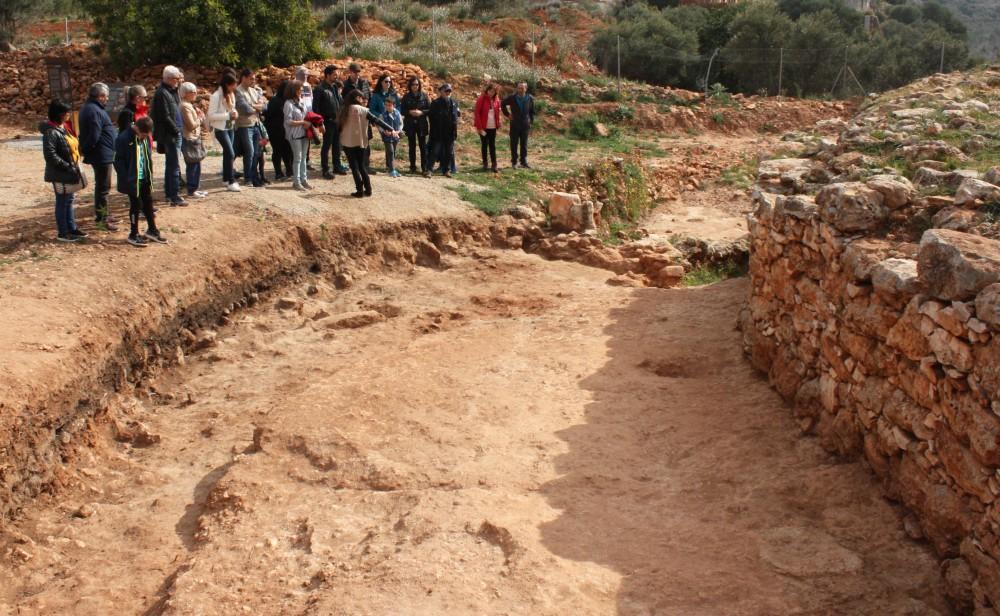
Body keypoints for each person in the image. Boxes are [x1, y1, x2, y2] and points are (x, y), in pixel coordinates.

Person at [42, 99, 88, 242]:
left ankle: (71, 228)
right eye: (66, 112)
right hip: (61, 172)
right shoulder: (51, 132)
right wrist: (67, 166)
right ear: (59, 114)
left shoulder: (63, 128)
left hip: (69, 171)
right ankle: (63, 232)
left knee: (69, 200)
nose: (69, 114)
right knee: (62, 202)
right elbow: (50, 155)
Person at [115, 116, 165, 247]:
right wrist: (126, 179)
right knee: (135, 206)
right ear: (136, 128)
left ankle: (152, 230)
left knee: (148, 203)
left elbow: (147, 155)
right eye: (142, 134)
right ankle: (133, 234)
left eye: (146, 134)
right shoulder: (123, 138)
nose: (144, 136)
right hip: (132, 180)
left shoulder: (145, 137)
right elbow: (118, 162)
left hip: (145, 177)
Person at [339, 90, 399, 197]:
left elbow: (339, 126)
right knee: (362, 166)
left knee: (354, 167)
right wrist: (391, 129)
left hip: (348, 142)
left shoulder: (344, 110)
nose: (363, 100)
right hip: (361, 142)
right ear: (357, 98)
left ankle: (359, 191)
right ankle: (368, 190)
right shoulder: (364, 110)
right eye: (361, 97)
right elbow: (377, 121)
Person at [78, 82, 118, 230]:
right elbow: (94, 134)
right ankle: (102, 218)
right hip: (101, 154)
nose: (106, 99)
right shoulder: (94, 110)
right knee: (103, 188)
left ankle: (104, 214)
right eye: (105, 96)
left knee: (103, 187)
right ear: (99, 96)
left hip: (103, 152)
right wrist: (88, 150)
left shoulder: (92, 108)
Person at [151, 65, 186, 205]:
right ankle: (174, 196)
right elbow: (164, 116)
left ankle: (170, 193)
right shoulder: (162, 94)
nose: (179, 81)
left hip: (173, 133)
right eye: (177, 79)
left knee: (171, 165)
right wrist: (176, 130)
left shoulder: (171, 91)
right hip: (170, 135)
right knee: (173, 165)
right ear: (170, 79)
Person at [208, 72, 241, 192]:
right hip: (220, 128)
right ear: (227, 85)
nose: (234, 88)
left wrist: (235, 113)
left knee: (228, 154)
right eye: (233, 85)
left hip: (229, 127)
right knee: (231, 153)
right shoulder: (216, 96)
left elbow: (232, 108)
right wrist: (228, 116)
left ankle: (226, 179)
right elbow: (211, 115)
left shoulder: (230, 95)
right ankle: (231, 180)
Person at [314, 65, 347, 179]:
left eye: (337, 74)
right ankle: (325, 169)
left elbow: (340, 103)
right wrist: (319, 123)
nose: (336, 76)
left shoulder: (335, 87)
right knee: (326, 146)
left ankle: (337, 166)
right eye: (334, 74)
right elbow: (316, 108)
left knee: (337, 145)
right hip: (326, 122)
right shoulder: (320, 89)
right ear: (328, 75)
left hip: (337, 121)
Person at [235, 68, 266, 187]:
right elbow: (246, 110)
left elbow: (265, 107)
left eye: (254, 79)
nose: (253, 81)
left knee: (256, 153)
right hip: (244, 126)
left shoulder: (254, 91)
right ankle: (247, 178)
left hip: (256, 124)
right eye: (251, 79)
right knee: (250, 152)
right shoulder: (238, 92)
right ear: (243, 78)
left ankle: (253, 176)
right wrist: (257, 106)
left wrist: (254, 105)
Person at [341, 63, 373, 174]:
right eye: (355, 72)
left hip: (364, 115)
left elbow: (369, 97)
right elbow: (344, 101)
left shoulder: (364, 83)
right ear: (350, 72)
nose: (357, 75)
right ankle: (355, 166)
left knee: (366, 139)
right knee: (352, 141)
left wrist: (366, 108)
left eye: (358, 72)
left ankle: (365, 165)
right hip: (352, 117)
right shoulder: (345, 85)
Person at [179, 82, 208, 199]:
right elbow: (191, 125)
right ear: (185, 94)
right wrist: (200, 118)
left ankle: (195, 188)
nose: (195, 94)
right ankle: (191, 190)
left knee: (197, 163)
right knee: (192, 165)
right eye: (193, 92)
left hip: (194, 137)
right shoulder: (184, 106)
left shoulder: (189, 105)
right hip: (189, 138)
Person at [283, 80, 312, 191]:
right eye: (299, 88)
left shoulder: (301, 101)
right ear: (293, 90)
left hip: (304, 133)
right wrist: (303, 123)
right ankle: (296, 182)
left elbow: (306, 115)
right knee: (298, 158)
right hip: (294, 135)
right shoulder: (288, 104)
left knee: (304, 158)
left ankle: (304, 180)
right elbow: (288, 121)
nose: (301, 90)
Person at [501, 81, 536, 169]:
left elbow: (532, 112)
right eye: (518, 88)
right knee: (514, 143)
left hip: (525, 125)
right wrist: (508, 114)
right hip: (515, 124)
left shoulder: (530, 98)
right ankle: (514, 162)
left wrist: (531, 122)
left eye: (522, 88)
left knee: (524, 144)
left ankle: (524, 162)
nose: (520, 89)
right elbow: (503, 104)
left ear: (526, 88)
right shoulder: (512, 98)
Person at [400, 76, 431, 177]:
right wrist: (409, 112)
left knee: (423, 146)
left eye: (417, 84)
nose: (415, 86)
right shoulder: (406, 97)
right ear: (410, 85)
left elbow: (430, 110)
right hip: (410, 124)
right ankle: (412, 167)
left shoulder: (425, 96)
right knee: (411, 146)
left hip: (421, 124)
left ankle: (424, 168)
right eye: (413, 84)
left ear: (419, 85)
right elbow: (402, 110)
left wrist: (421, 112)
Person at [428, 83, 460, 178]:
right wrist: (433, 132)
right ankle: (429, 170)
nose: (448, 92)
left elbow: (456, 116)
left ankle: (446, 170)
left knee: (449, 152)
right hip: (438, 131)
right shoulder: (435, 103)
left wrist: (455, 130)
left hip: (450, 132)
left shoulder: (454, 103)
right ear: (441, 91)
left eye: (449, 91)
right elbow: (431, 118)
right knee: (435, 151)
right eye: (446, 91)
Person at [264, 79, 293, 181]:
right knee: (277, 151)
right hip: (275, 130)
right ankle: (278, 172)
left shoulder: (290, 101)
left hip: (287, 130)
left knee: (288, 150)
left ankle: (289, 169)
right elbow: (268, 116)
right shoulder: (275, 101)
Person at [474, 83, 502, 173]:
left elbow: (497, 112)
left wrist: (499, 123)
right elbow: (477, 113)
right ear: (487, 90)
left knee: (492, 145)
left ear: (495, 92)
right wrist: (479, 127)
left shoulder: (496, 100)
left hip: (493, 126)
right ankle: (485, 164)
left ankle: (494, 164)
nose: (491, 93)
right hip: (483, 127)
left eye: (493, 91)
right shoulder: (481, 99)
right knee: (484, 145)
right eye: (490, 91)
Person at [379, 98, 403, 178]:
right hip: (387, 136)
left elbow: (401, 123)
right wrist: (384, 131)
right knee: (391, 151)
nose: (387, 107)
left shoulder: (397, 113)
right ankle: (393, 170)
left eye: (389, 105)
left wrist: (398, 131)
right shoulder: (382, 114)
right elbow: (379, 125)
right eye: (386, 105)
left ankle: (389, 167)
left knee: (393, 151)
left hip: (395, 135)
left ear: (394, 105)